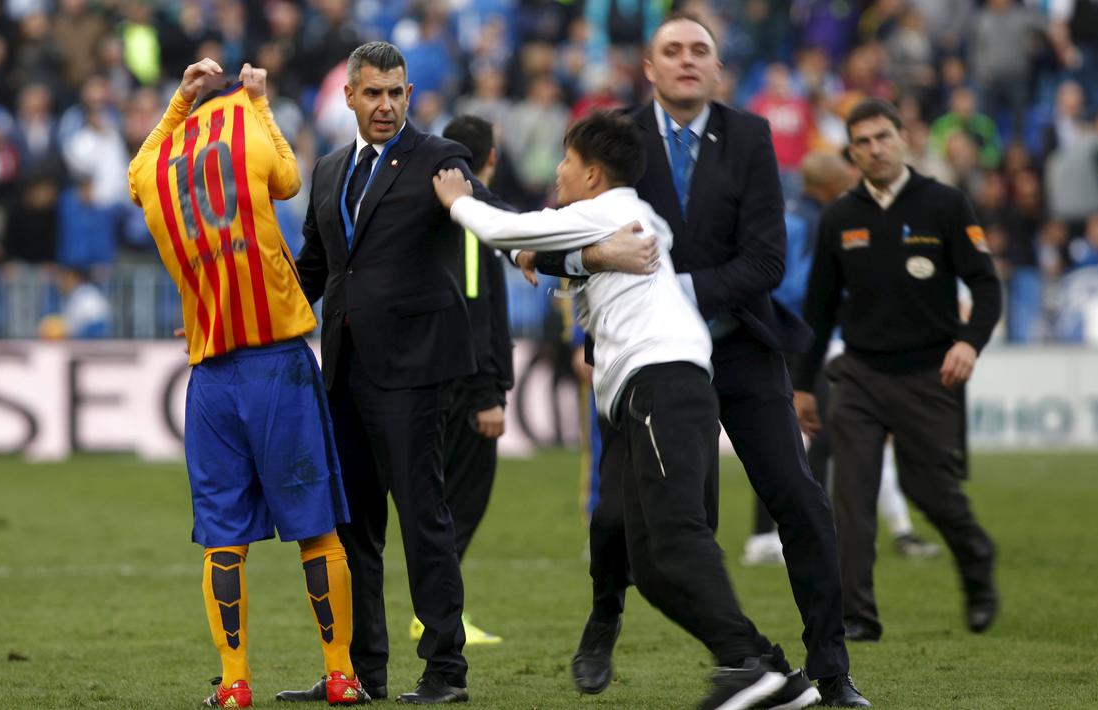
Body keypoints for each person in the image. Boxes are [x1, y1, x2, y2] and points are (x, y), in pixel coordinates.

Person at [530, 14, 867, 707]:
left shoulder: (750, 136)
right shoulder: (615, 135)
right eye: (672, 50)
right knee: (619, 518)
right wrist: (583, 255)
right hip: (646, 361)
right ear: (649, 69)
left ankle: (831, 671)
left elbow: (766, 262)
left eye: (700, 51)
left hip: (738, 346)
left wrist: (672, 291)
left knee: (800, 499)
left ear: (718, 69)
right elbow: (556, 238)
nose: (687, 60)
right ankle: (605, 616)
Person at [433, 108, 794, 710]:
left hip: (663, 383)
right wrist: (582, 256)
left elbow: (505, 230)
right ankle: (770, 668)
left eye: (567, 160)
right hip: (649, 391)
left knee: (675, 536)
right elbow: (548, 251)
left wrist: (456, 200)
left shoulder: (603, 211)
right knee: (645, 561)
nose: (557, 171)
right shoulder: (628, 218)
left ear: (593, 174)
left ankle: (742, 665)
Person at [127, 59, 364, 708]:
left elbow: (136, 170)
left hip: (210, 376)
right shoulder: (247, 129)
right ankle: (340, 674)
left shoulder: (156, 167)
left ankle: (234, 683)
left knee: (223, 537)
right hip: (277, 363)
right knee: (316, 528)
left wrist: (178, 100)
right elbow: (288, 179)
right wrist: (258, 102)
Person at [276, 41, 502, 705]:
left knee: (424, 521)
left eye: (396, 93)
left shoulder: (440, 158)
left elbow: (490, 219)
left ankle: (445, 672)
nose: (385, 105)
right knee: (353, 531)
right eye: (373, 92)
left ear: (410, 95)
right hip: (343, 375)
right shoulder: (328, 170)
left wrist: (536, 252)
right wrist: (240, 322)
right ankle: (361, 672)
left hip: (415, 373)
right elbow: (313, 270)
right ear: (348, 95)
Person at [793, 98, 1001, 643]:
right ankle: (858, 616)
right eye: (862, 142)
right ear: (851, 153)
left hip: (930, 374)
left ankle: (976, 559)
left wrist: (970, 343)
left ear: (903, 137)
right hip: (859, 375)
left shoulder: (945, 204)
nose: (875, 149)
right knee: (851, 496)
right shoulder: (840, 217)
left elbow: (985, 284)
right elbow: (817, 307)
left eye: (883, 136)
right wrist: (802, 384)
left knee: (931, 492)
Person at [743, 152, 941, 566]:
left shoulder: (799, 218)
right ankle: (793, 532)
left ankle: (771, 534)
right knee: (820, 435)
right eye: (843, 178)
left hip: (799, 339)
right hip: (805, 341)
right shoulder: (806, 223)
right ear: (829, 184)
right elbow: (786, 285)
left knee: (795, 436)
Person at [405, 115, 514, 647]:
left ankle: (438, 610)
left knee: (446, 502)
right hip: (467, 389)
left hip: (440, 379)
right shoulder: (471, 222)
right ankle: (439, 614)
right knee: (461, 505)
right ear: (489, 158)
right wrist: (487, 393)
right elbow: (475, 309)